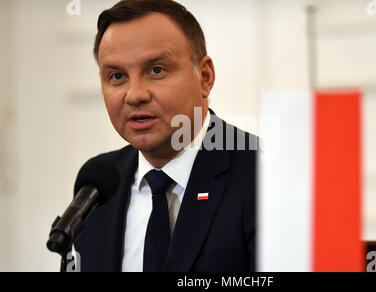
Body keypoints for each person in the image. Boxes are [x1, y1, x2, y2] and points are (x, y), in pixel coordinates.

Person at [73, 0, 257, 272]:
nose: (135, 95)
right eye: (117, 76)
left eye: (156, 70)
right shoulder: (97, 185)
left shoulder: (265, 175)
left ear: (204, 77)